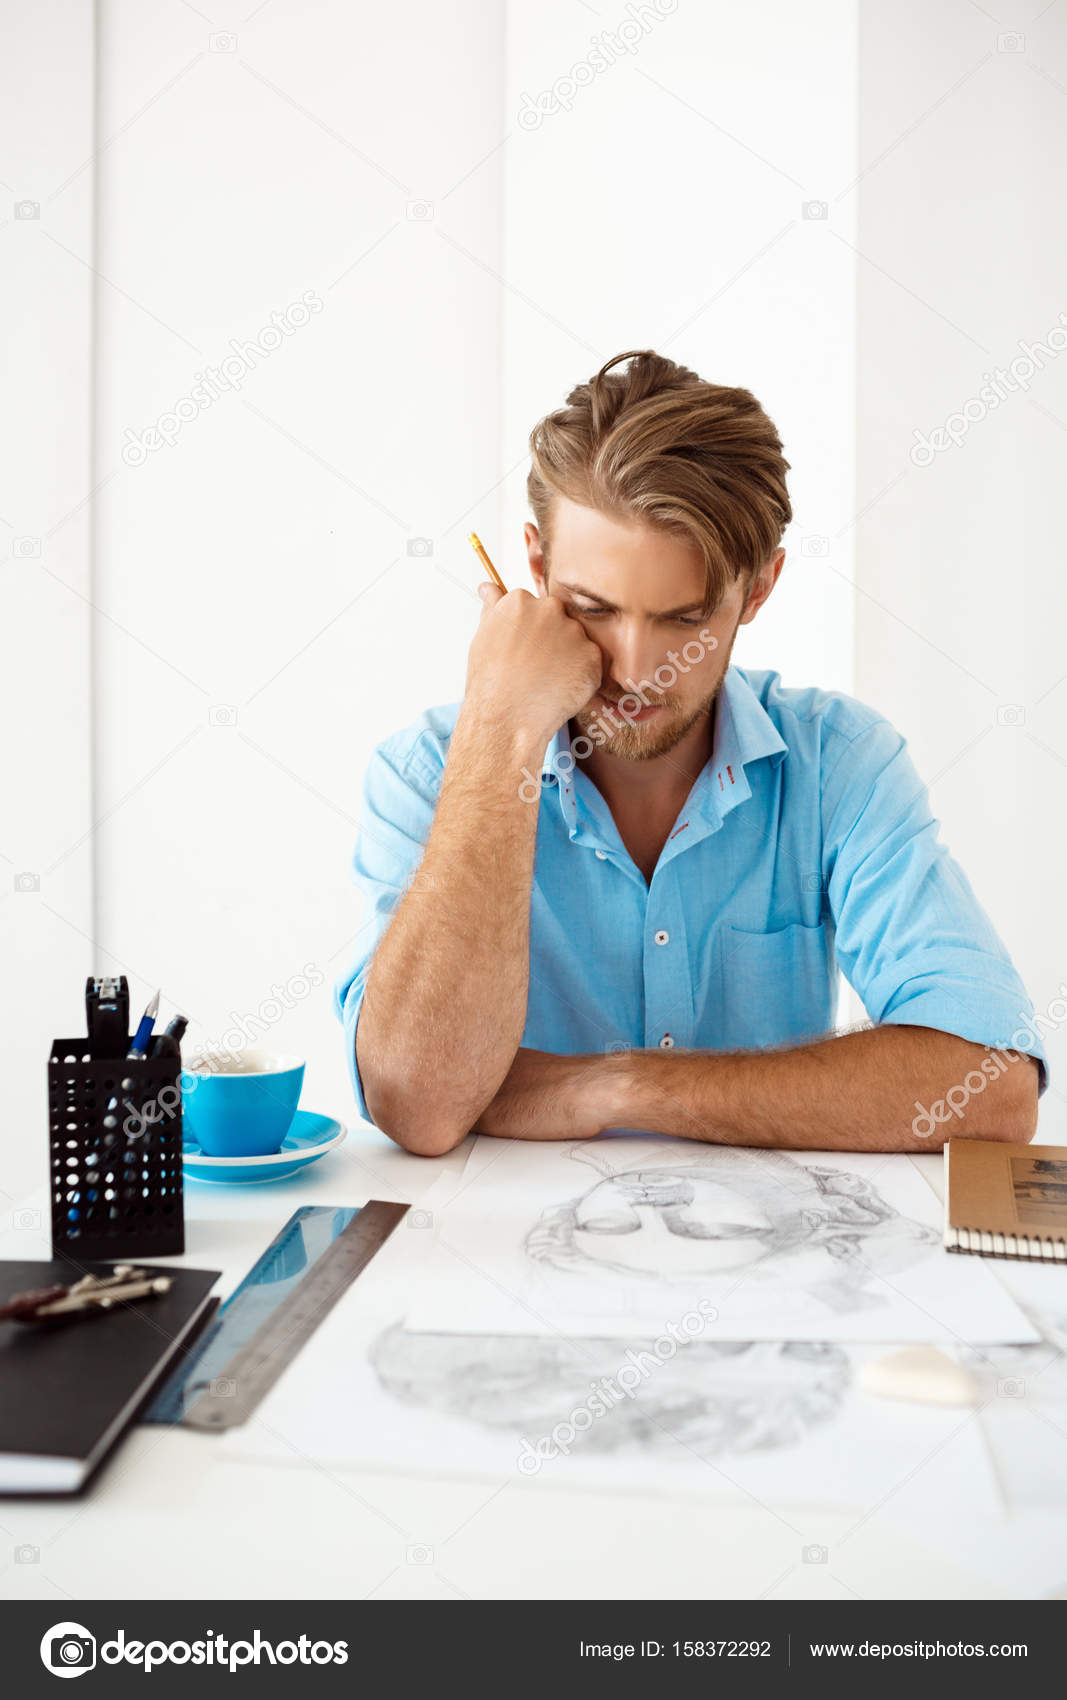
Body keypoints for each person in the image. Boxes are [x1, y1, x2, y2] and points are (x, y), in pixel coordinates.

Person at [336, 350, 1045, 1155]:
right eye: (592, 608)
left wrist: (616, 1085)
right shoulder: (427, 774)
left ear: (759, 588)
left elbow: (992, 1090)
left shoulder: (840, 765)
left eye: (684, 618)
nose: (635, 671)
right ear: (534, 567)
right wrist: (501, 731)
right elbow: (418, 1107)